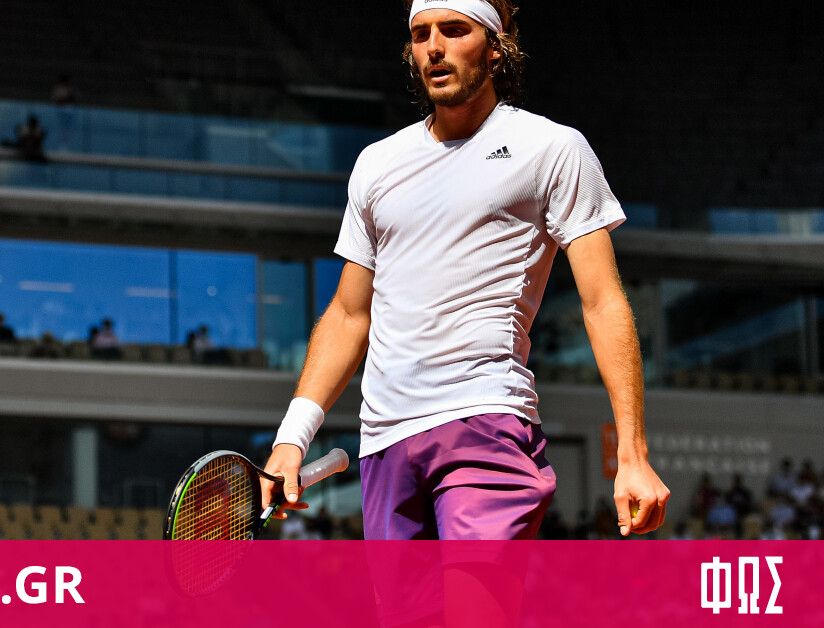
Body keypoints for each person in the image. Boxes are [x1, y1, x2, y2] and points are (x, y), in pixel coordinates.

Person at [261, 2, 670, 622]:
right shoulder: (376, 165)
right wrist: (292, 437)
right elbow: (348, 314)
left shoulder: (552, 148)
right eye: (420, 33)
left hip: (484, 423)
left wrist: (632, 454)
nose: (434, 46)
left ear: (496, 47)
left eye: (454, 30)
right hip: (384, 442)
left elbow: (603, 300)